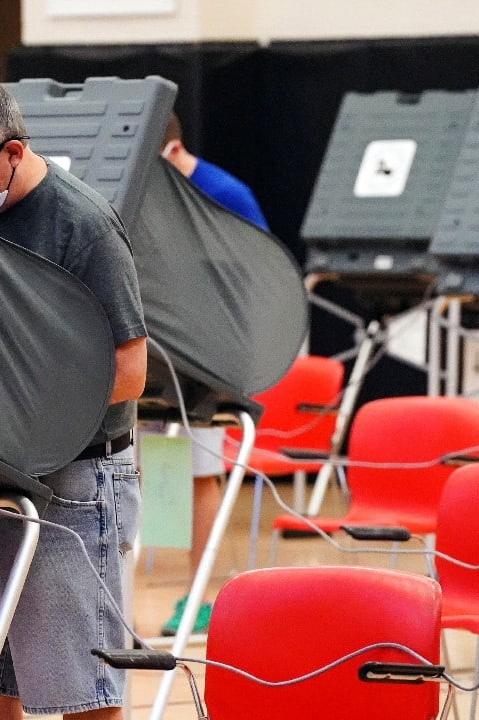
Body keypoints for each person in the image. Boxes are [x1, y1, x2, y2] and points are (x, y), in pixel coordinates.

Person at [0, 75, 148, 720]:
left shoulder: (83, 224)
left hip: (72, 475)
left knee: (82, 690)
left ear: (13, 153)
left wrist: (30, 415)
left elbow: (130, 370)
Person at [155, 114, 271, 637]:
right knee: (151, 471)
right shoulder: (147, 191)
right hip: (155, 356)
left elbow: (261, 279)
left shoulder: (227, 193)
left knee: (200, 473)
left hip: (209, 359)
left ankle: (199, 597)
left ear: (175, 147)